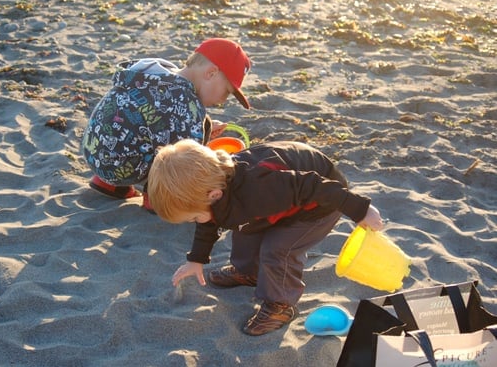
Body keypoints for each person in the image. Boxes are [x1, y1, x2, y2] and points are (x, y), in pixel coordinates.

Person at [147, 139, 384, 336]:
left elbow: (313, 186)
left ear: (215, 195)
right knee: (246, 228)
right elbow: (209, 222)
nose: (196, 222)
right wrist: (196, 259)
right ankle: (248, 272)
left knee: (278, 248)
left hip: (319, 204)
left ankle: (280, 304)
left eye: (193, 217)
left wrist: (360, 209)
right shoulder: (216, 193)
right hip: (283, 203)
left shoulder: (258, 187)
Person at [81, 38, 252, 210]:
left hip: (95, 152)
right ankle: (156, 196)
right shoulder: (182, 102)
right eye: (226, 92)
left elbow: (156, 117)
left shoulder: (156, 73)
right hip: (120, 167)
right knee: (181, 155)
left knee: (141, 130)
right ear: (211, 73)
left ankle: (107, 184)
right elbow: (183, 157)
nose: (223, 100)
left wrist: (204, 125)